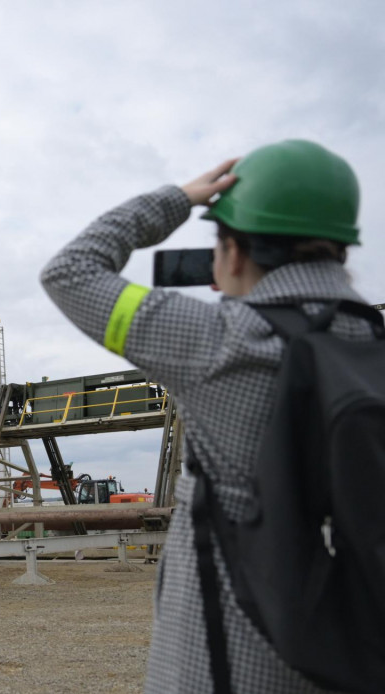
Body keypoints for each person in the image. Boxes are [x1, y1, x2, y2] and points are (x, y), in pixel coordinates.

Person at [39, 140, 373, 693]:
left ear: (234, 252)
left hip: (231, 666)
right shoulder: (373, 347)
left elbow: (69, 271)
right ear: (341, 248)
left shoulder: (216, 341)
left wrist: (179, 198)